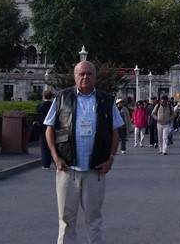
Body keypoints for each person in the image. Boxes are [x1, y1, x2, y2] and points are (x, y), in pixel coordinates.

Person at [44, 60, 124, 244]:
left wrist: (110, 158)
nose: (85, 77)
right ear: (74, 76)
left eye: (89, 73)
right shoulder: (62, 98)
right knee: (66, 220)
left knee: (94, 219)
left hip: (95, 170)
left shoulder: (106, 100)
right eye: (81, 74)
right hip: (67, 169)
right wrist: (56, 158)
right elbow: (49, 128)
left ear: (95, 77)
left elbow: (115, 131)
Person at [36, 89, 54, 169]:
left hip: (42, 128)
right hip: (52, 127)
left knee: (44, 147)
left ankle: (46, 164)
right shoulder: (54, 105)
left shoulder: (40, 105)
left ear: (43, 96)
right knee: (53, 146)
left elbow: (38, 117)